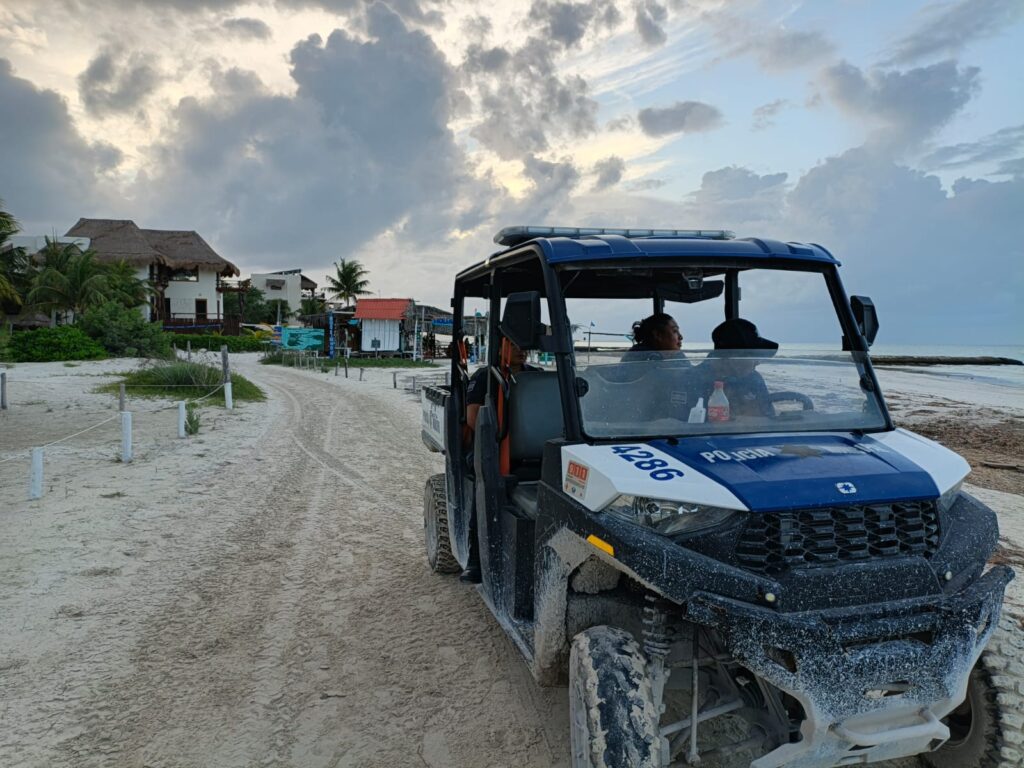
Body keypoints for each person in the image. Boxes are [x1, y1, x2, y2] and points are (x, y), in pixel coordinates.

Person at [697, 318, 778, 419]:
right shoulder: (695, 381)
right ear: (733, 357)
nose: (757, 363)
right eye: (754, 356)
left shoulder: (754, 379)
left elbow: (770, 417)